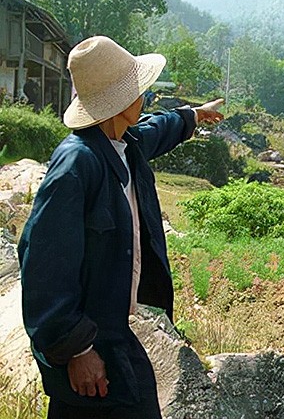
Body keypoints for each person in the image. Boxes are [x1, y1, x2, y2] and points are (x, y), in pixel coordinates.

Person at [18, 35, 224, 419]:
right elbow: (43, 266)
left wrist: (193, 116)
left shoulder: (120, 141)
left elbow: (155, 130)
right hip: (88, 340)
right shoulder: (77, 165)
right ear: (119, 100)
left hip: (109, 328)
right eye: (137, 88)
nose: (144, 94)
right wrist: (76, 350)